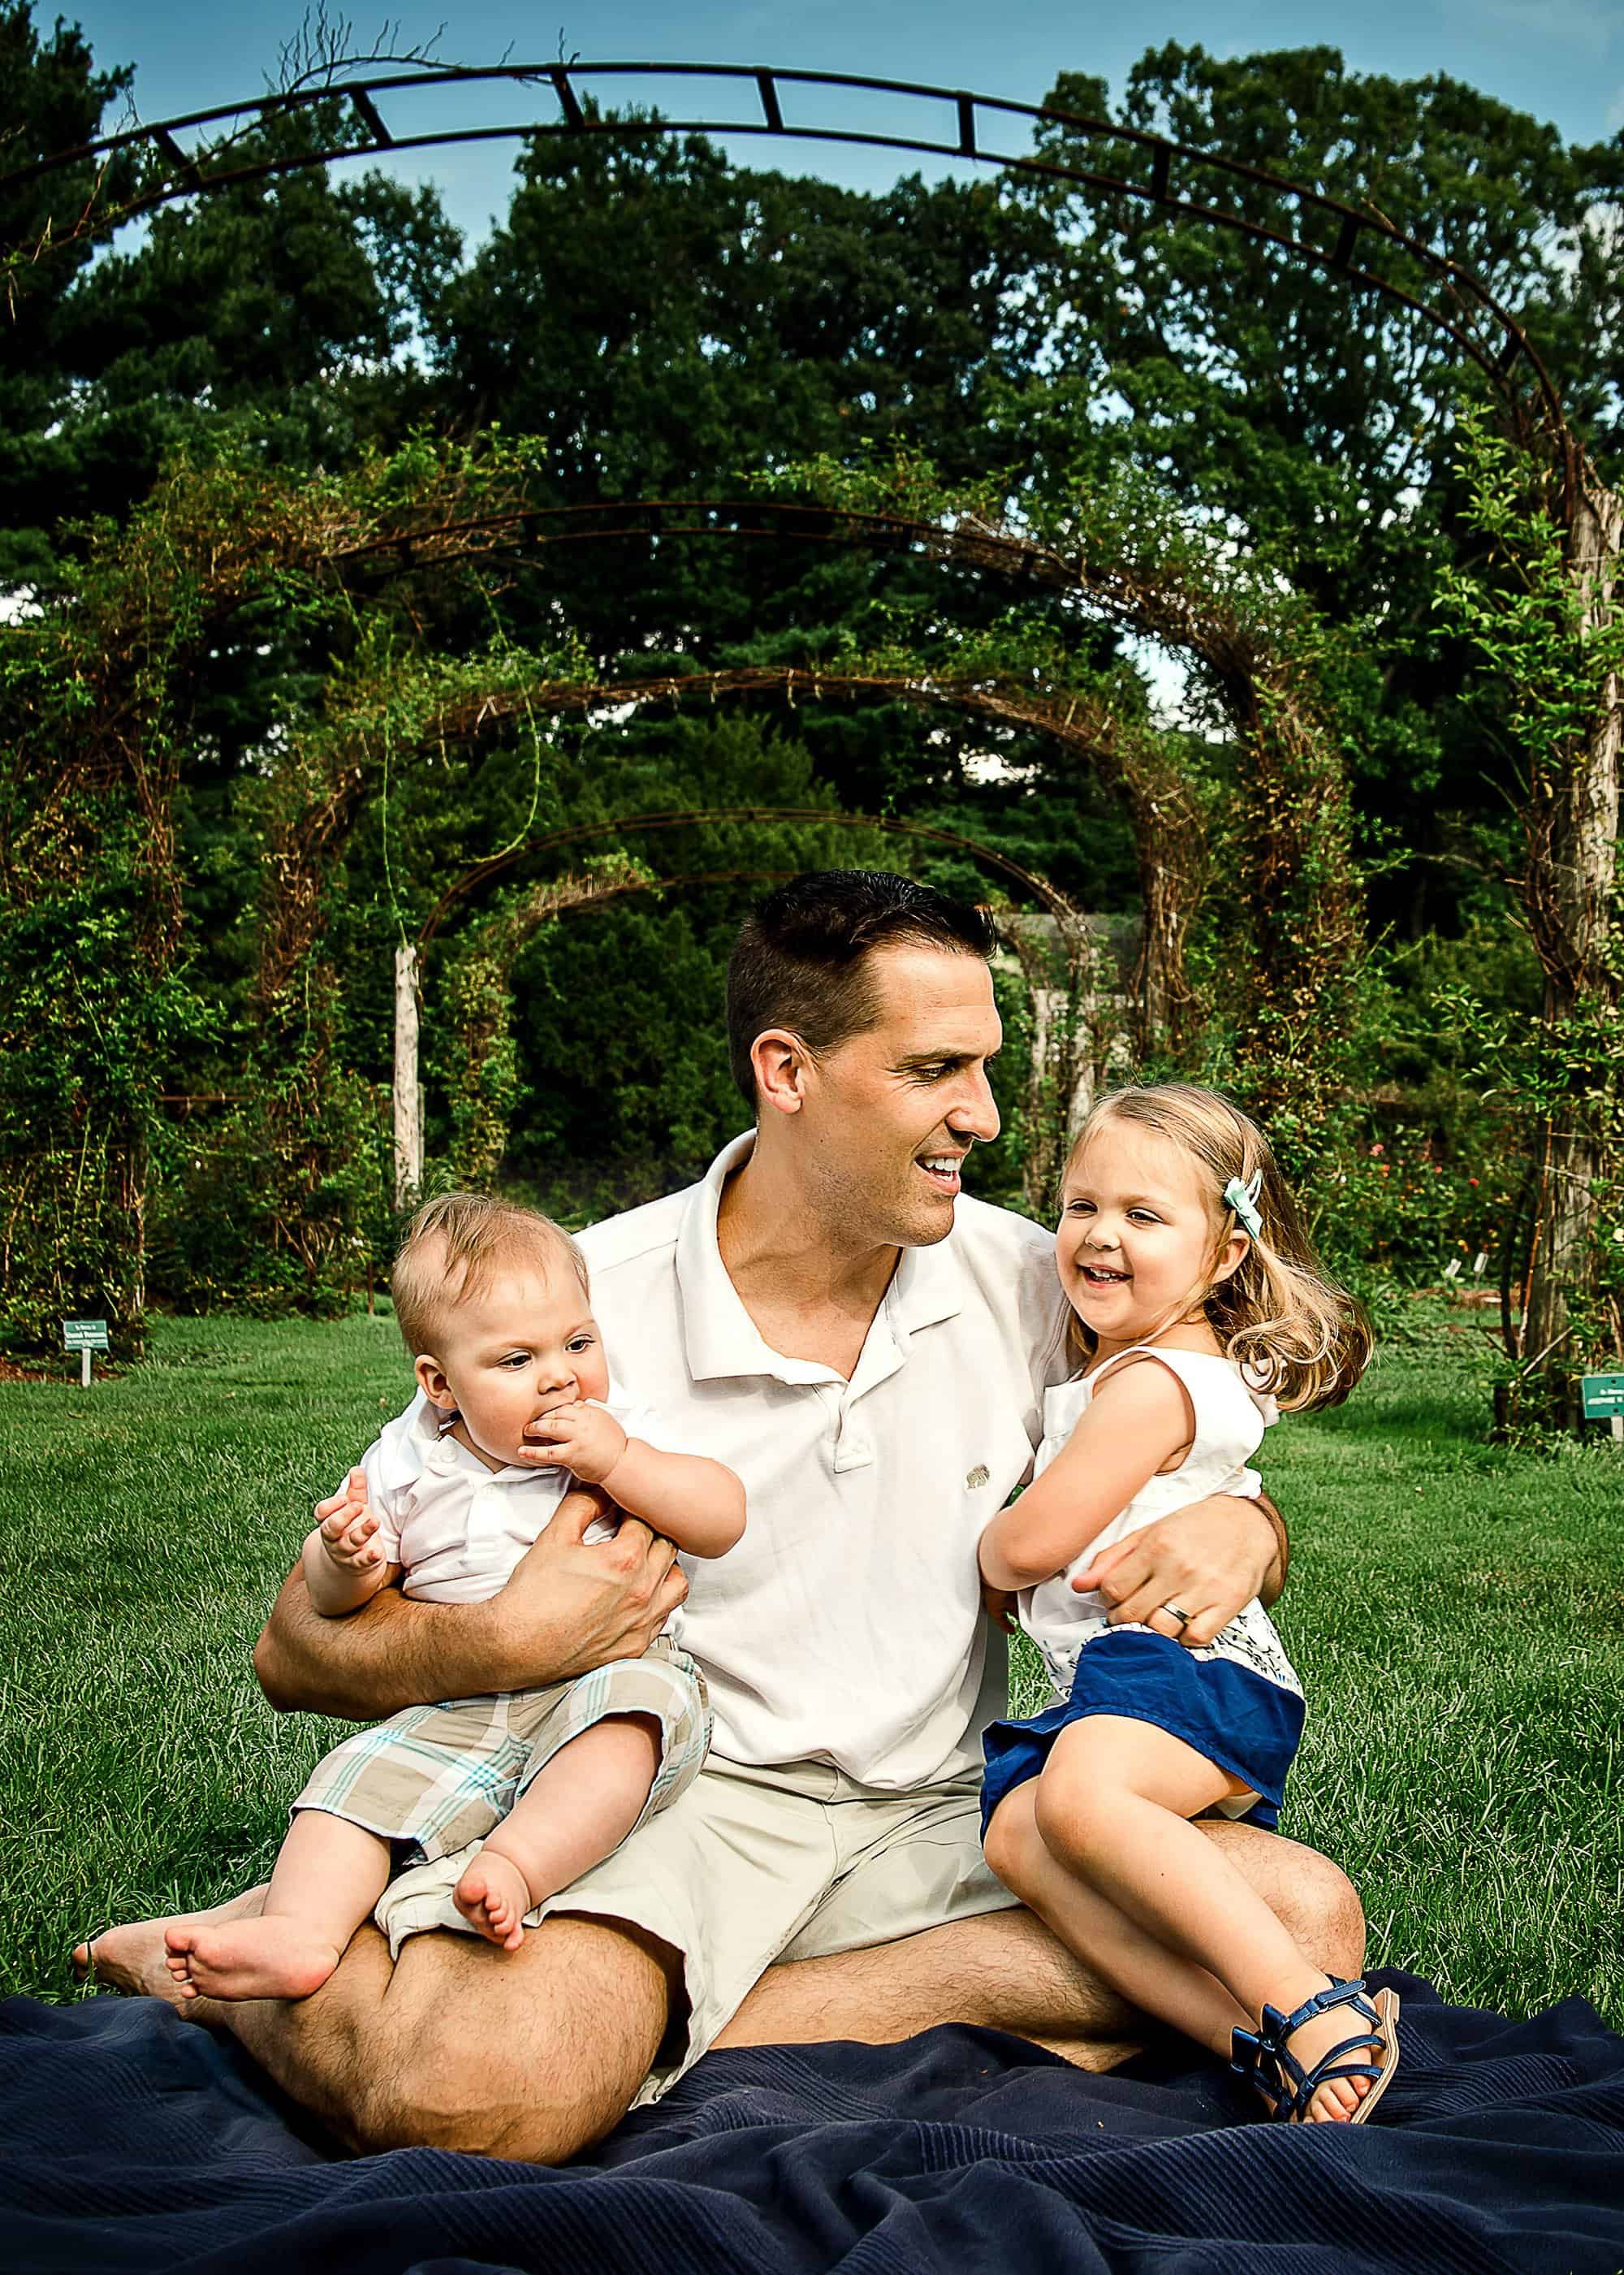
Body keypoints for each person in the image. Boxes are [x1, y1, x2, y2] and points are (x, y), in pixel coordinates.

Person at [80, 872, 1363, 2165]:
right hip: (679, 1801)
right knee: (473, 2101)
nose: (980, 1113)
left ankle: (659, 2028)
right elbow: (293, 1651)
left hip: (950, 1804)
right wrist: (498, 1643)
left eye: (983, 1066)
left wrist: (1255, 1530)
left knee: (1306, 1925)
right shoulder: (579, 1307)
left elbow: (1175, 1440)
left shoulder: (1041, 1277)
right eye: (932, 1069)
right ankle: (392, 1995)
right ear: (786, 1068)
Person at [163, 1193, 745, 2002]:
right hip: (458, 1701)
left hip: (615, 1675)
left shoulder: (618, 1426)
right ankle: (299, 1933)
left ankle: (510, 1865)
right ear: (440, 1382)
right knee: (353, 1780)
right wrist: (347, 1558)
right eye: (515, 1360)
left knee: (624, 1733)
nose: (559, 1374)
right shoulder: (409, 1459)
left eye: (578, 1341)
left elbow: (721, 1515)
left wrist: (621, 1462)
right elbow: (330, 1601)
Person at [978, 1083, 1397, 2125]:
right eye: (1079, 1206)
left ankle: (1310, 2001)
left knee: (1075, 1803)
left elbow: (1029, 1541)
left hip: (1190, 1668)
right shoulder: (1138, 1366)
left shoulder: (1152, 1384)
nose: (1098, 1235)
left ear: (1221, 1256)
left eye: (1142, 1215)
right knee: (1020, 1834)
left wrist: (986, 1552)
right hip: (1139, 1676)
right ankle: (1253, 2039)